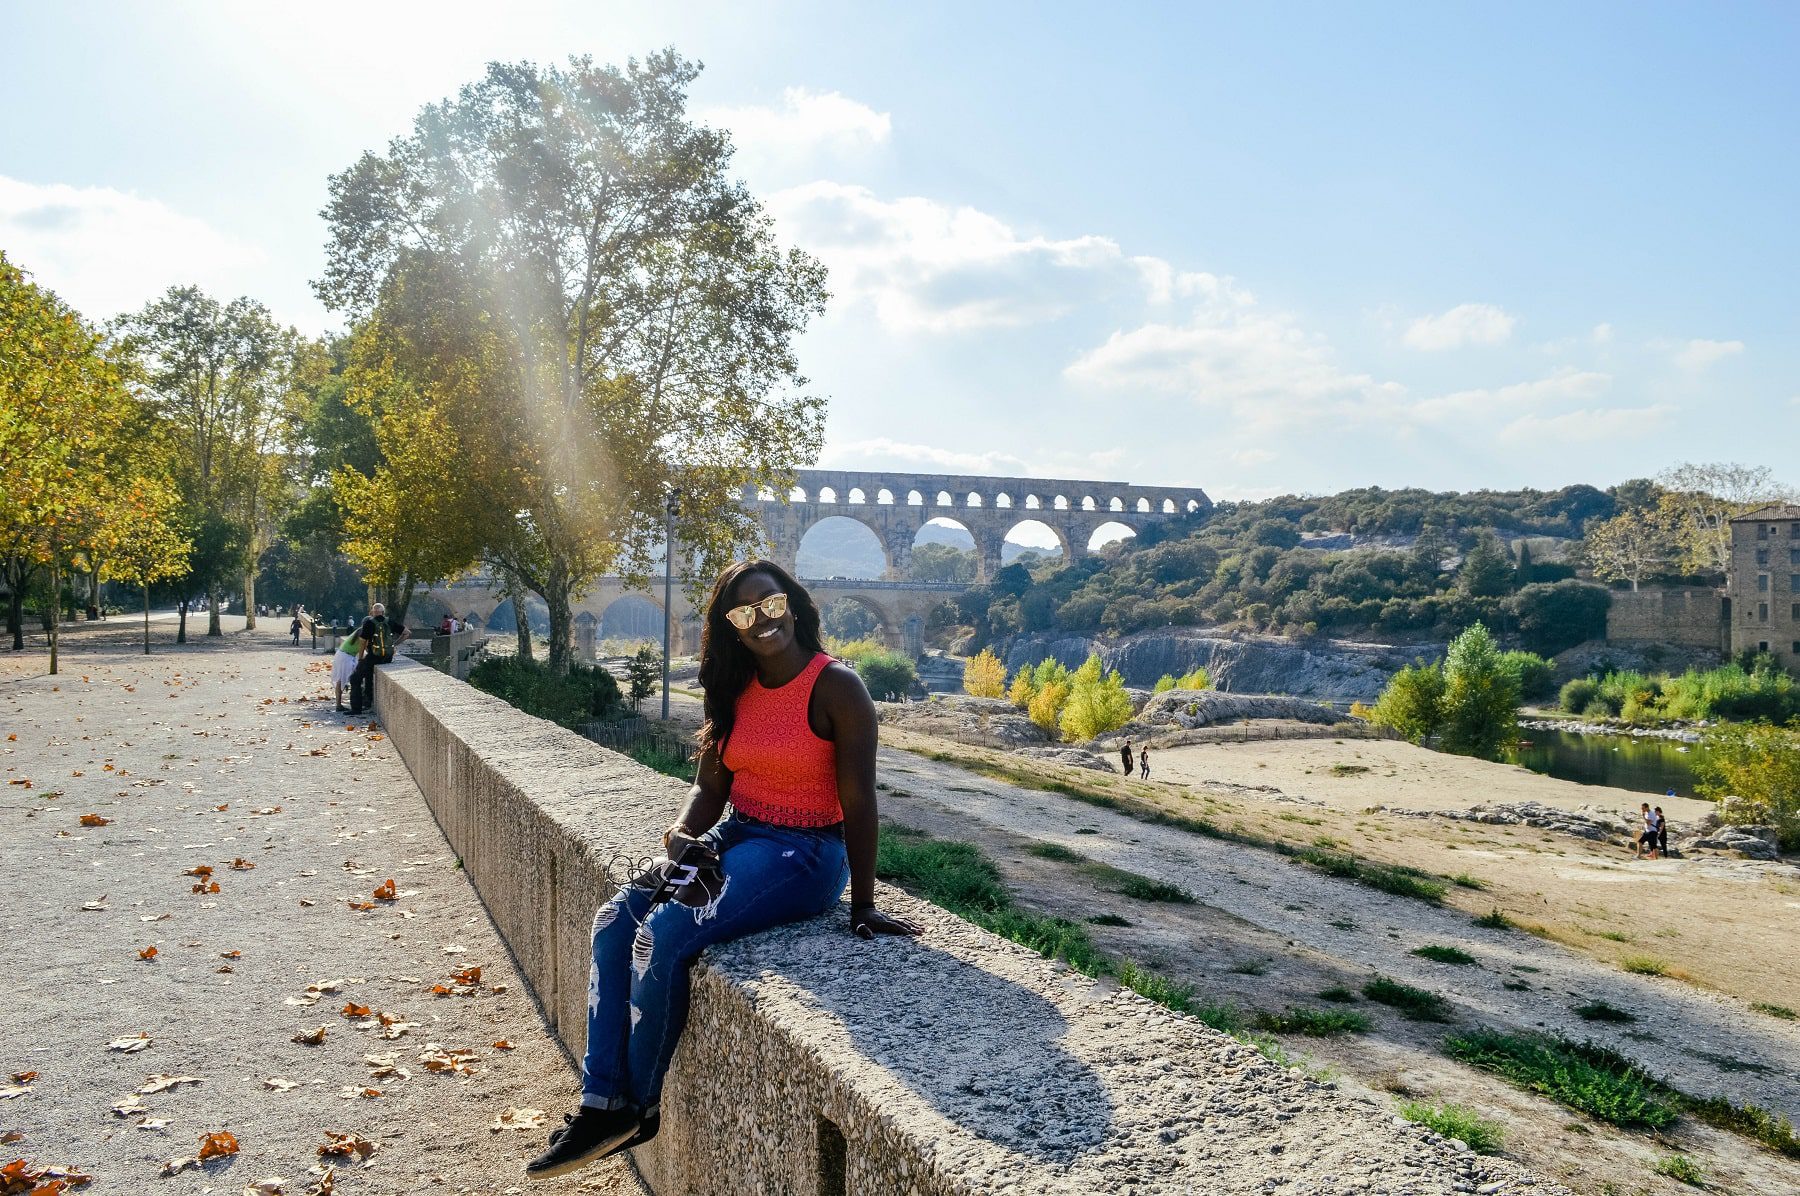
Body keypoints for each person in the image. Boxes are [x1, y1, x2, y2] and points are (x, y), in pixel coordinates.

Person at [525, 560, 920, 1179]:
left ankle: (636, 1105)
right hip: (736, 832)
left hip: (805, 852)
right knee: (614, 920)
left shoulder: (838, 687)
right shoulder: (733, 689)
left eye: (771, 603)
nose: (762, 619)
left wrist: (862, 904)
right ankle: (600, 1101)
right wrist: (684, 835)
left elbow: (860, 801)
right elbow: (710, 789)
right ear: (729, 627)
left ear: (791, 604)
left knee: (665, 935)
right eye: (744, 612)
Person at [348, 602, 406, 716]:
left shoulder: (369, 623)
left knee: (355, 678)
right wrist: (394, 644)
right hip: (387, 657)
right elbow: (407, 633)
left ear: (372, 612)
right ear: (383, 612)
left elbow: (363, 642)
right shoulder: (390, 622)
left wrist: (360, 659)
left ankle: (356, 708)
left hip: (374, 657)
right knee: (369, 675)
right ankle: (368, 702)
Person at [332, 624, 362, 712]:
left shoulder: (358, 631)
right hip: (346, 657)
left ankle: (338, 704)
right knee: (343, 680)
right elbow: (364, 647)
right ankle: (339, 704)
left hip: (343, 655)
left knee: (341, 680)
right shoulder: (363, 633)